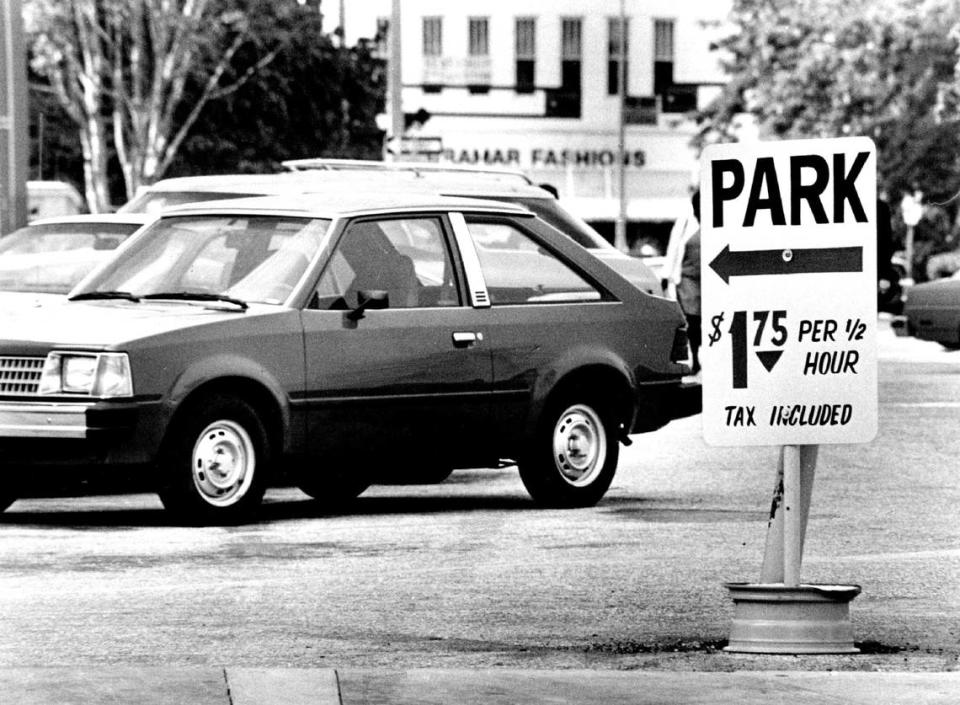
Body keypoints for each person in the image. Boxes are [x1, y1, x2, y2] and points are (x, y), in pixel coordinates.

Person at [676, 191, 702, 375]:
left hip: (693, 285)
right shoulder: (690, 231)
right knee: (694, 324)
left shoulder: (695, 234)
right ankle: (696, 359)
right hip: (690, 285)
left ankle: (697, 359)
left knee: (695, 325)